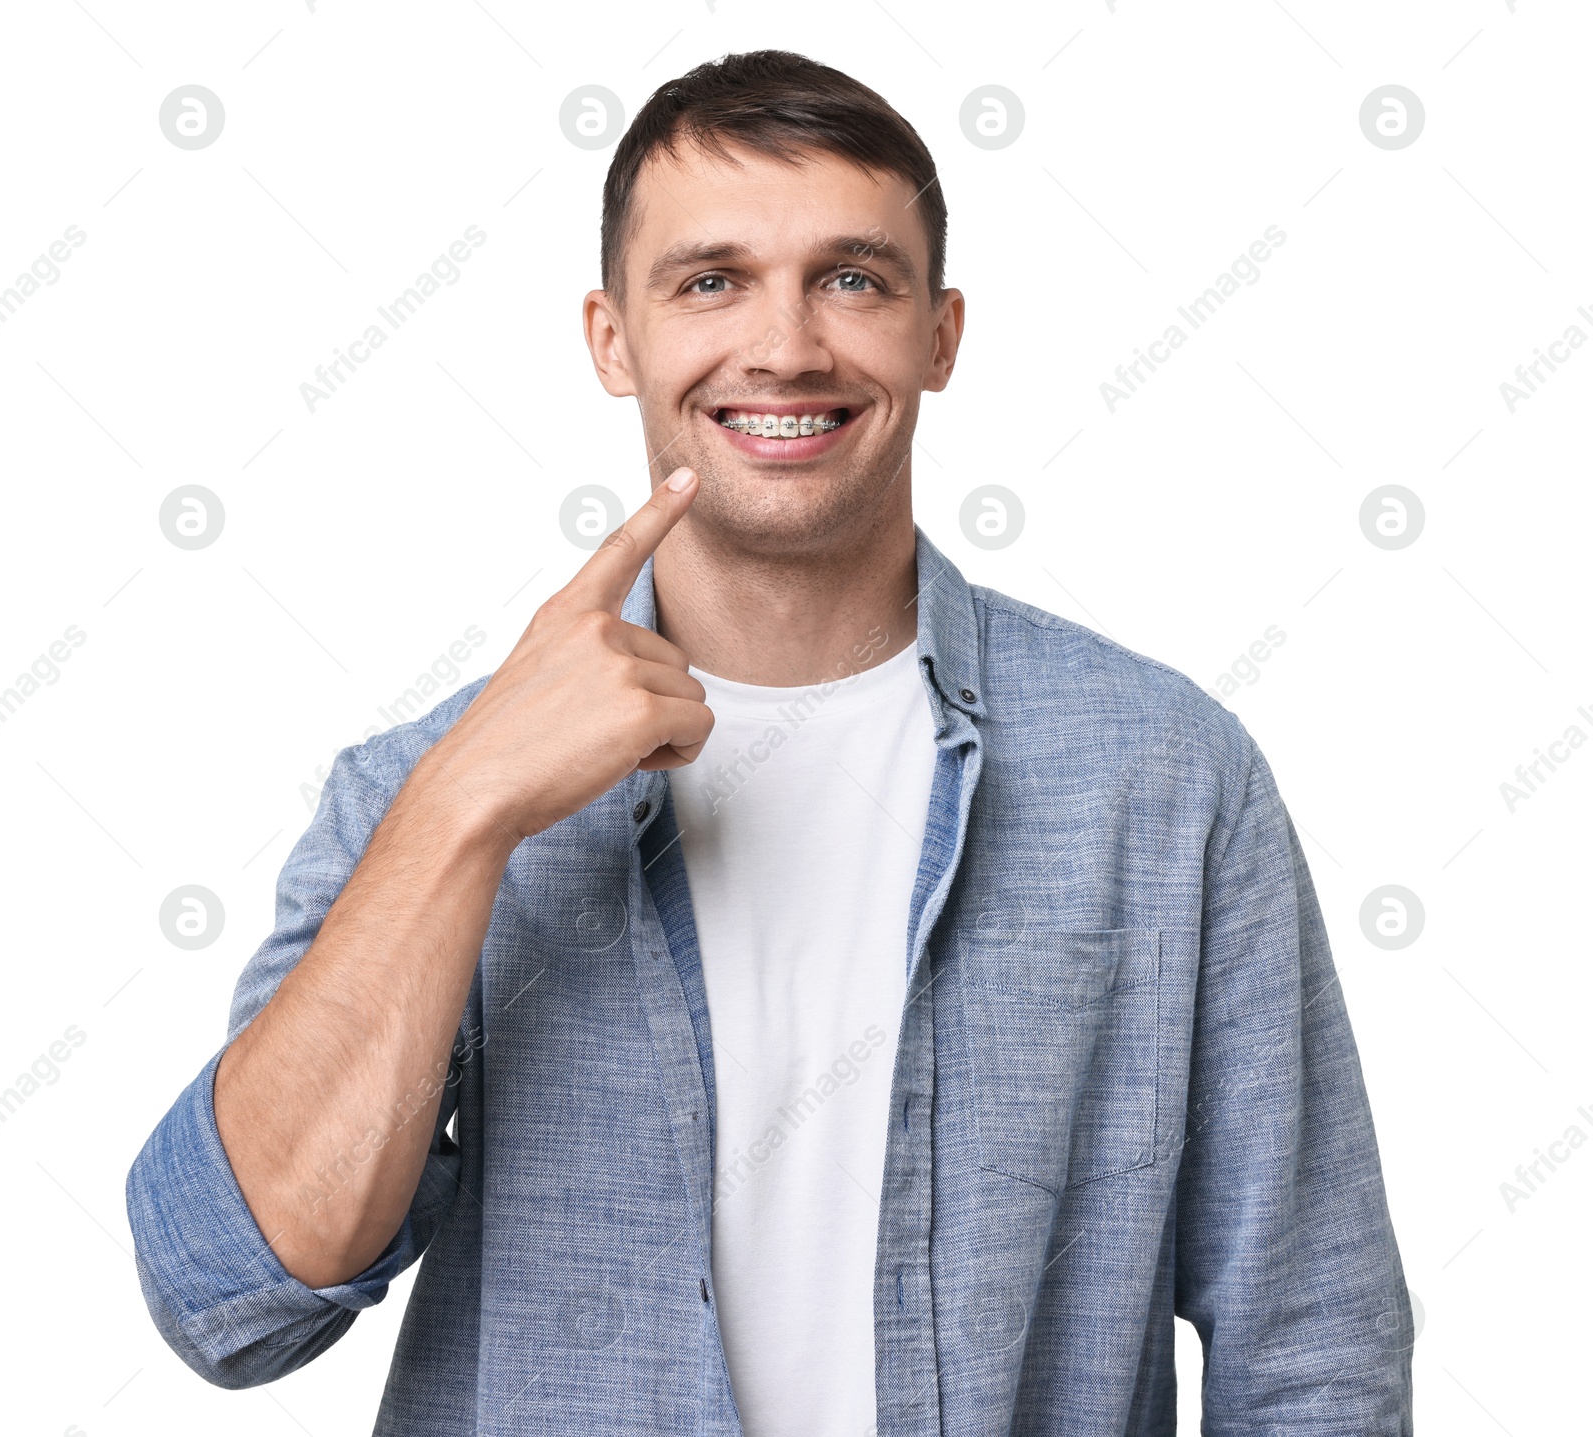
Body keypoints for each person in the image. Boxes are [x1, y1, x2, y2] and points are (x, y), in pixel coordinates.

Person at [126, 49, 1414, 1436]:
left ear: (941, 332)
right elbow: (231, 1297)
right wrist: (469, 811)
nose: (787, 345)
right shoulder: (427, 789)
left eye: (853, 277)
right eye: (710, 279)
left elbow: (1313, 1350)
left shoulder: (1168, 781)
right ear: (612, 335)